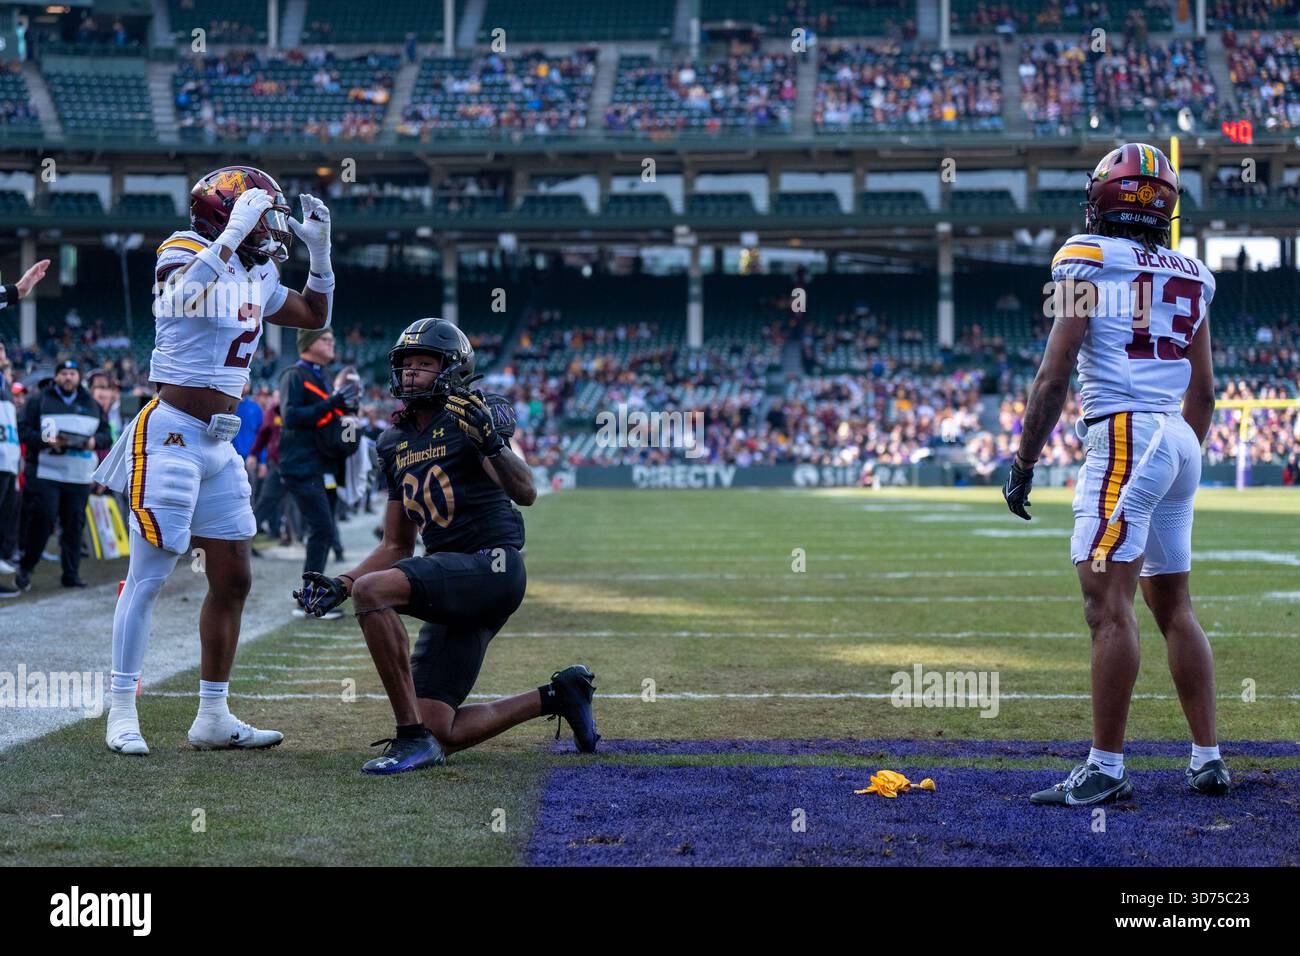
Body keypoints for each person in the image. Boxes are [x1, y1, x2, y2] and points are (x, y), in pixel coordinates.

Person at [1004, 143, 1228, 805]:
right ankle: (1207, 758)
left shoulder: (1086, 255)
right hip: (1177, 437)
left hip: (1127, 434)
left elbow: (1054, 374)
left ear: (1102, 199)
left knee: (1107, 605)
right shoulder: (1194, 273)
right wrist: (1175, 459)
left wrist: (1023, 462)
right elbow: (1204, 391)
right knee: (1174, 606)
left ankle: (1105, 768)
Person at [93, 165, 335, 756]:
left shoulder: (257, 268)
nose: (269, 229)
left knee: (233, 576)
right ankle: (121, 709)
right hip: (170, 433)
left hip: (219, 443)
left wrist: (322, 255)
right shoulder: (183, 247)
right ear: (226, 213)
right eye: (259, 215)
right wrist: (229, 238)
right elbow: (177, 299)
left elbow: (314, 316)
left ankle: (213, 715)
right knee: (149, 576)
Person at [293, 318, 599, 774]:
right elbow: (396, 544)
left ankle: (408, 738)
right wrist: (342, 582)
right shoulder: (392, 442)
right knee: (440, 728)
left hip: (492, 566)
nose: (411, 372)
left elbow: (526, 492)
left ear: (453, 369)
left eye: (424, 363)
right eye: (406, 364)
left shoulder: (474, 414)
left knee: (374, 593)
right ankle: (560, 695)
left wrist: (492, 444)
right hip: (452, 578)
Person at [278, 327, 357, 618]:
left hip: (323, 465)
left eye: (332, 339)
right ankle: (309, 600)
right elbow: (290, 416)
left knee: (324, 529)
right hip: (301, 465)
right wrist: (332, 403)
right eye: (325, 339)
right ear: (308, 344)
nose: (331, 343)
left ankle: (313, 598)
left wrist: (348, 411)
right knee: (322, 528)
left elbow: (330, 419)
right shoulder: (294, 375)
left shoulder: (324, 375)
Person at [15, 360, 111, 590]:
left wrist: (93, 441)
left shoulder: (91, 403)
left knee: (74, 526)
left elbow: (106, 435)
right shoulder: (38, 400)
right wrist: (46, 441)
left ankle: (71, 574)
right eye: (64, 373)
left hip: (78, 476)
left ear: (79, 377)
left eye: (72, 373)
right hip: (46, 472)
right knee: (42, 521)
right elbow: (23, 430)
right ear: (56, 376)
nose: (68, 377)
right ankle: (26, 567)